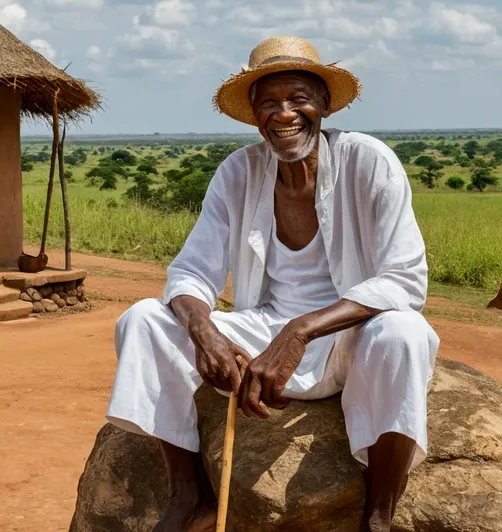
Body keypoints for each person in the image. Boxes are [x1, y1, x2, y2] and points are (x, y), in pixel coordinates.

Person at [105, 36, 440, 532]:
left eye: (299, 98)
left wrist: (301, 330)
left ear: (325, 103)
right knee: (143, 319)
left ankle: (378, 515)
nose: (285, 114)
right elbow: (190, 272)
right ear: (254, 114)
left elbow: (404, 279)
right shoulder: (238, 171)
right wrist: (207, 334)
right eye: (269, 103)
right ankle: (188, 494)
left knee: (405, 333)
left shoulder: (368, 160)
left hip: (347, 340)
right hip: (258, 339)